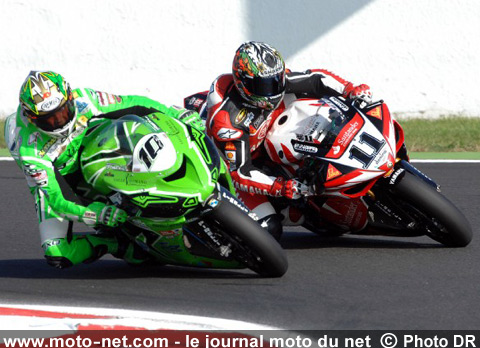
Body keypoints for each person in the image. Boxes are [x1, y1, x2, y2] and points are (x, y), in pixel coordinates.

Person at [4, 70, 204, 268]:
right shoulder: (29, 149)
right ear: (32, 118)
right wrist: (93, 214)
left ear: (70, 98)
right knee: (57, 251)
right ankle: (118, 245)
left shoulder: (85, 99)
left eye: (62, 112)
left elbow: (135, 102)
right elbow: (58, 200)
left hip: (98, 147)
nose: (59, 122)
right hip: (60, 178)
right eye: (48, 119)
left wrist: (177, 114)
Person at [205, 41, 373, 239]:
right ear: (244, 84)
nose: (273, 89)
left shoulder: (273, 78)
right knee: (269, 229)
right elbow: (240, 173)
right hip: (242, 170)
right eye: (265, 85)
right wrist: (281, 187)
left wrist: (350, 90)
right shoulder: (227, 121)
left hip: (275, 141)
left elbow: (315, 79)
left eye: (277, 80)